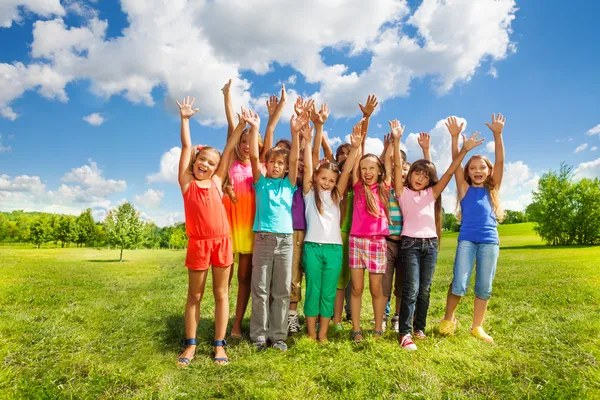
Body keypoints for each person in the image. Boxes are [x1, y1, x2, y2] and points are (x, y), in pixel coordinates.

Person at [391, 120, 485, 351]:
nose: (420, 178)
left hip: (430, 244)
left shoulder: (432, 193)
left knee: (425, 289)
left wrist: (464, 149)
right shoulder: (402, 192)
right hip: (410, 244)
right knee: (411, 288)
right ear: (409, 174)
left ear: (429, 179)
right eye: (416, 173)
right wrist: (396, 140)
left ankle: (419, 329)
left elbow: (452, 170)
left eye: (425, 175)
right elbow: (395, 165)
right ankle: (405, 333)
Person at [174, 96, 243, 366]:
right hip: (199, 244)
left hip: (222, 242)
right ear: (194, 161)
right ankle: (190, 345)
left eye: (210, 163)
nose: (205, 164)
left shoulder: (216, 182)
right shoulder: (186, 182)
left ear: (217, 169)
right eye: (201, 160)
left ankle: (219, 345)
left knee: (221, 294)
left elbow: (229, 150)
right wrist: (185, 120)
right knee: (195, 295)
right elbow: (186, 144)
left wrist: (240, 127)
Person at [221, 80, 287, 339]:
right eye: (244, 141)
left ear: (261, 147)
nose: (247, 146)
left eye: (253, 142)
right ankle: (222, 324)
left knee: (245, 277)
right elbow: (231, 128)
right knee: (224, 278)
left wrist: (279, 108)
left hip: (251, 228)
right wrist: (227, 96)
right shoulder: (231, 163)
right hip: (228, 225)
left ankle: (238, 325)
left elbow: (269, 130)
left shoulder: (261, 168)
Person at [249, 104, 311, 351]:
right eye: (272, 161)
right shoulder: (260, 183)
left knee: (282, 291)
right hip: (263, 239)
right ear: (266, 164)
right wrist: (255, 129)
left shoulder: (289, 185)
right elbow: (254, 156)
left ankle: (278, 336)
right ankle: (259, 336)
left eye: (280, 163)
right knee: (261, 290)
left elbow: (295, 157)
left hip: (285, 241)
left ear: (286, 169)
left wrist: (294, 132)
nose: (276, 165)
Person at [439, 114, 506, 343]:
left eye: (482, 167)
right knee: (459, 282)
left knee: (484, 286)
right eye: (473, 168)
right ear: (467, 172)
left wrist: (498, 135)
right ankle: (449, 318)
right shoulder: (464, 188)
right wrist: (456, 139)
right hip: (467, 240)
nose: (478, 170)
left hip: (489, 241)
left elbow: (500, 162)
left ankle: (477, 326)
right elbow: (455, 163)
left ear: (488, 172)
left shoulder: (492, 188)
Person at [301, 119, 362, 342]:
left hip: (334, 249)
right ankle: (310, 333)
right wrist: (308, 142)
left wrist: (355, 148)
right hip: (312, 248)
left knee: (328, 293)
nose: (326, 183)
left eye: (331, 180)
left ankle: (323, 334)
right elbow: (309, 166)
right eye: (323, 178)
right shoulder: (309, 194)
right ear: (316, 178)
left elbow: (346, 173)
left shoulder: (337, 195)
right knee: (313, 292)